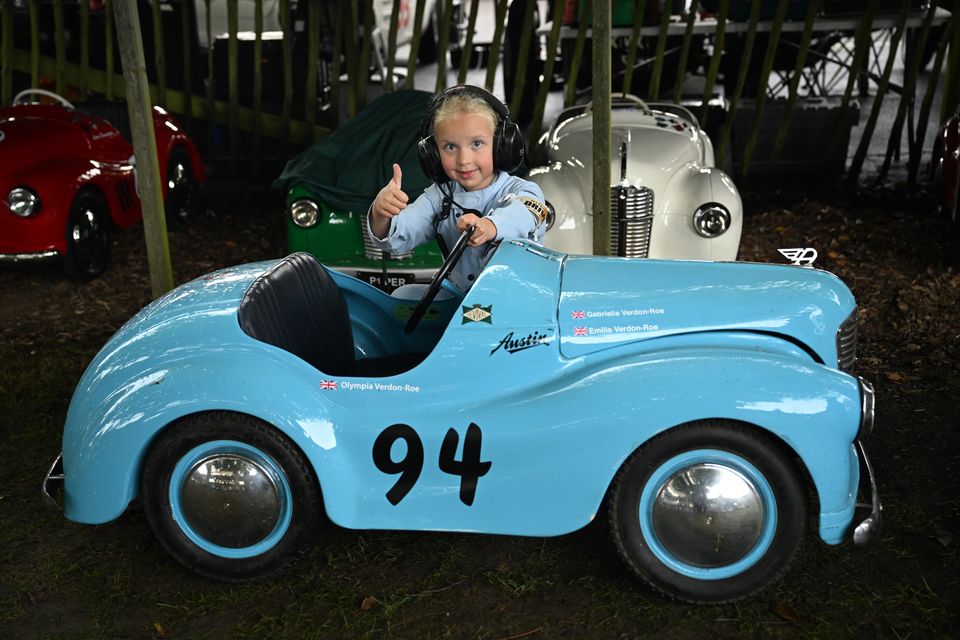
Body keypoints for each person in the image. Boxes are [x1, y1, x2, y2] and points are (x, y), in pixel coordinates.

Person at [368, 84, 548, 291]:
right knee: (404, 294)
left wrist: (490, 226)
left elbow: (524, 214)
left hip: (515, 298)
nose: (464, 160)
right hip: (458, 296)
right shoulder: (439, 196)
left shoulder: (525, 191)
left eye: (477, 144)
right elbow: (399, 236)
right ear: (433, 154)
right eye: (450, 147)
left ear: (502, 146)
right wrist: (381, 214)